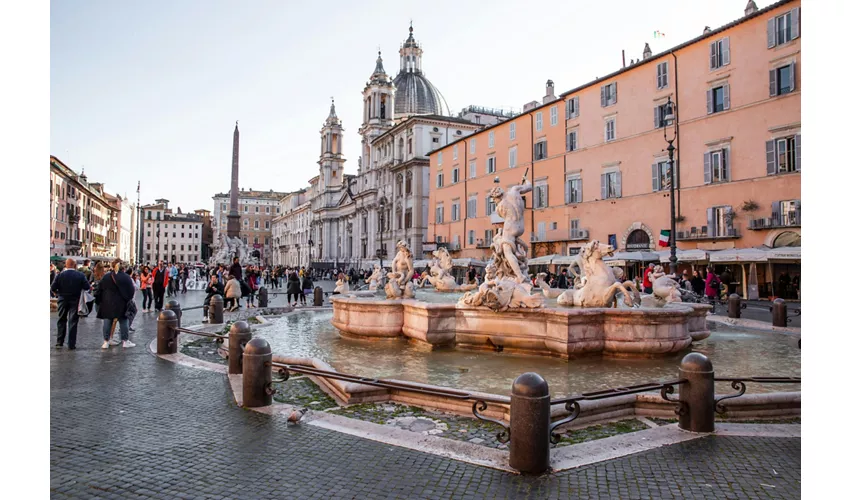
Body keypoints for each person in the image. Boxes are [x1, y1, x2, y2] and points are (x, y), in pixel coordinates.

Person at [51, 258, 91, 350]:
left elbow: (53, 287)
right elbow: (87, 287)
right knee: (73, 322)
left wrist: (57, 293)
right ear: (75, 265)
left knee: (61, 320)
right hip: (75, 300)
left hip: (62, 299)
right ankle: (71, 344)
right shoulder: (80, 275)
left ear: (66, 265)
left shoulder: (60, 275)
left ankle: (59, 342)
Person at [97, 259, 137, 349]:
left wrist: (101, 300)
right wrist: (127, 298)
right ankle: (125, 341)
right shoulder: (126, 277)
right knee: (123, 321)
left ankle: (106, 341)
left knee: (107, 321)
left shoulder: (106, 276)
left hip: (107, 302)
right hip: (121, 302)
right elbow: (131, 291)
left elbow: (99, 289)